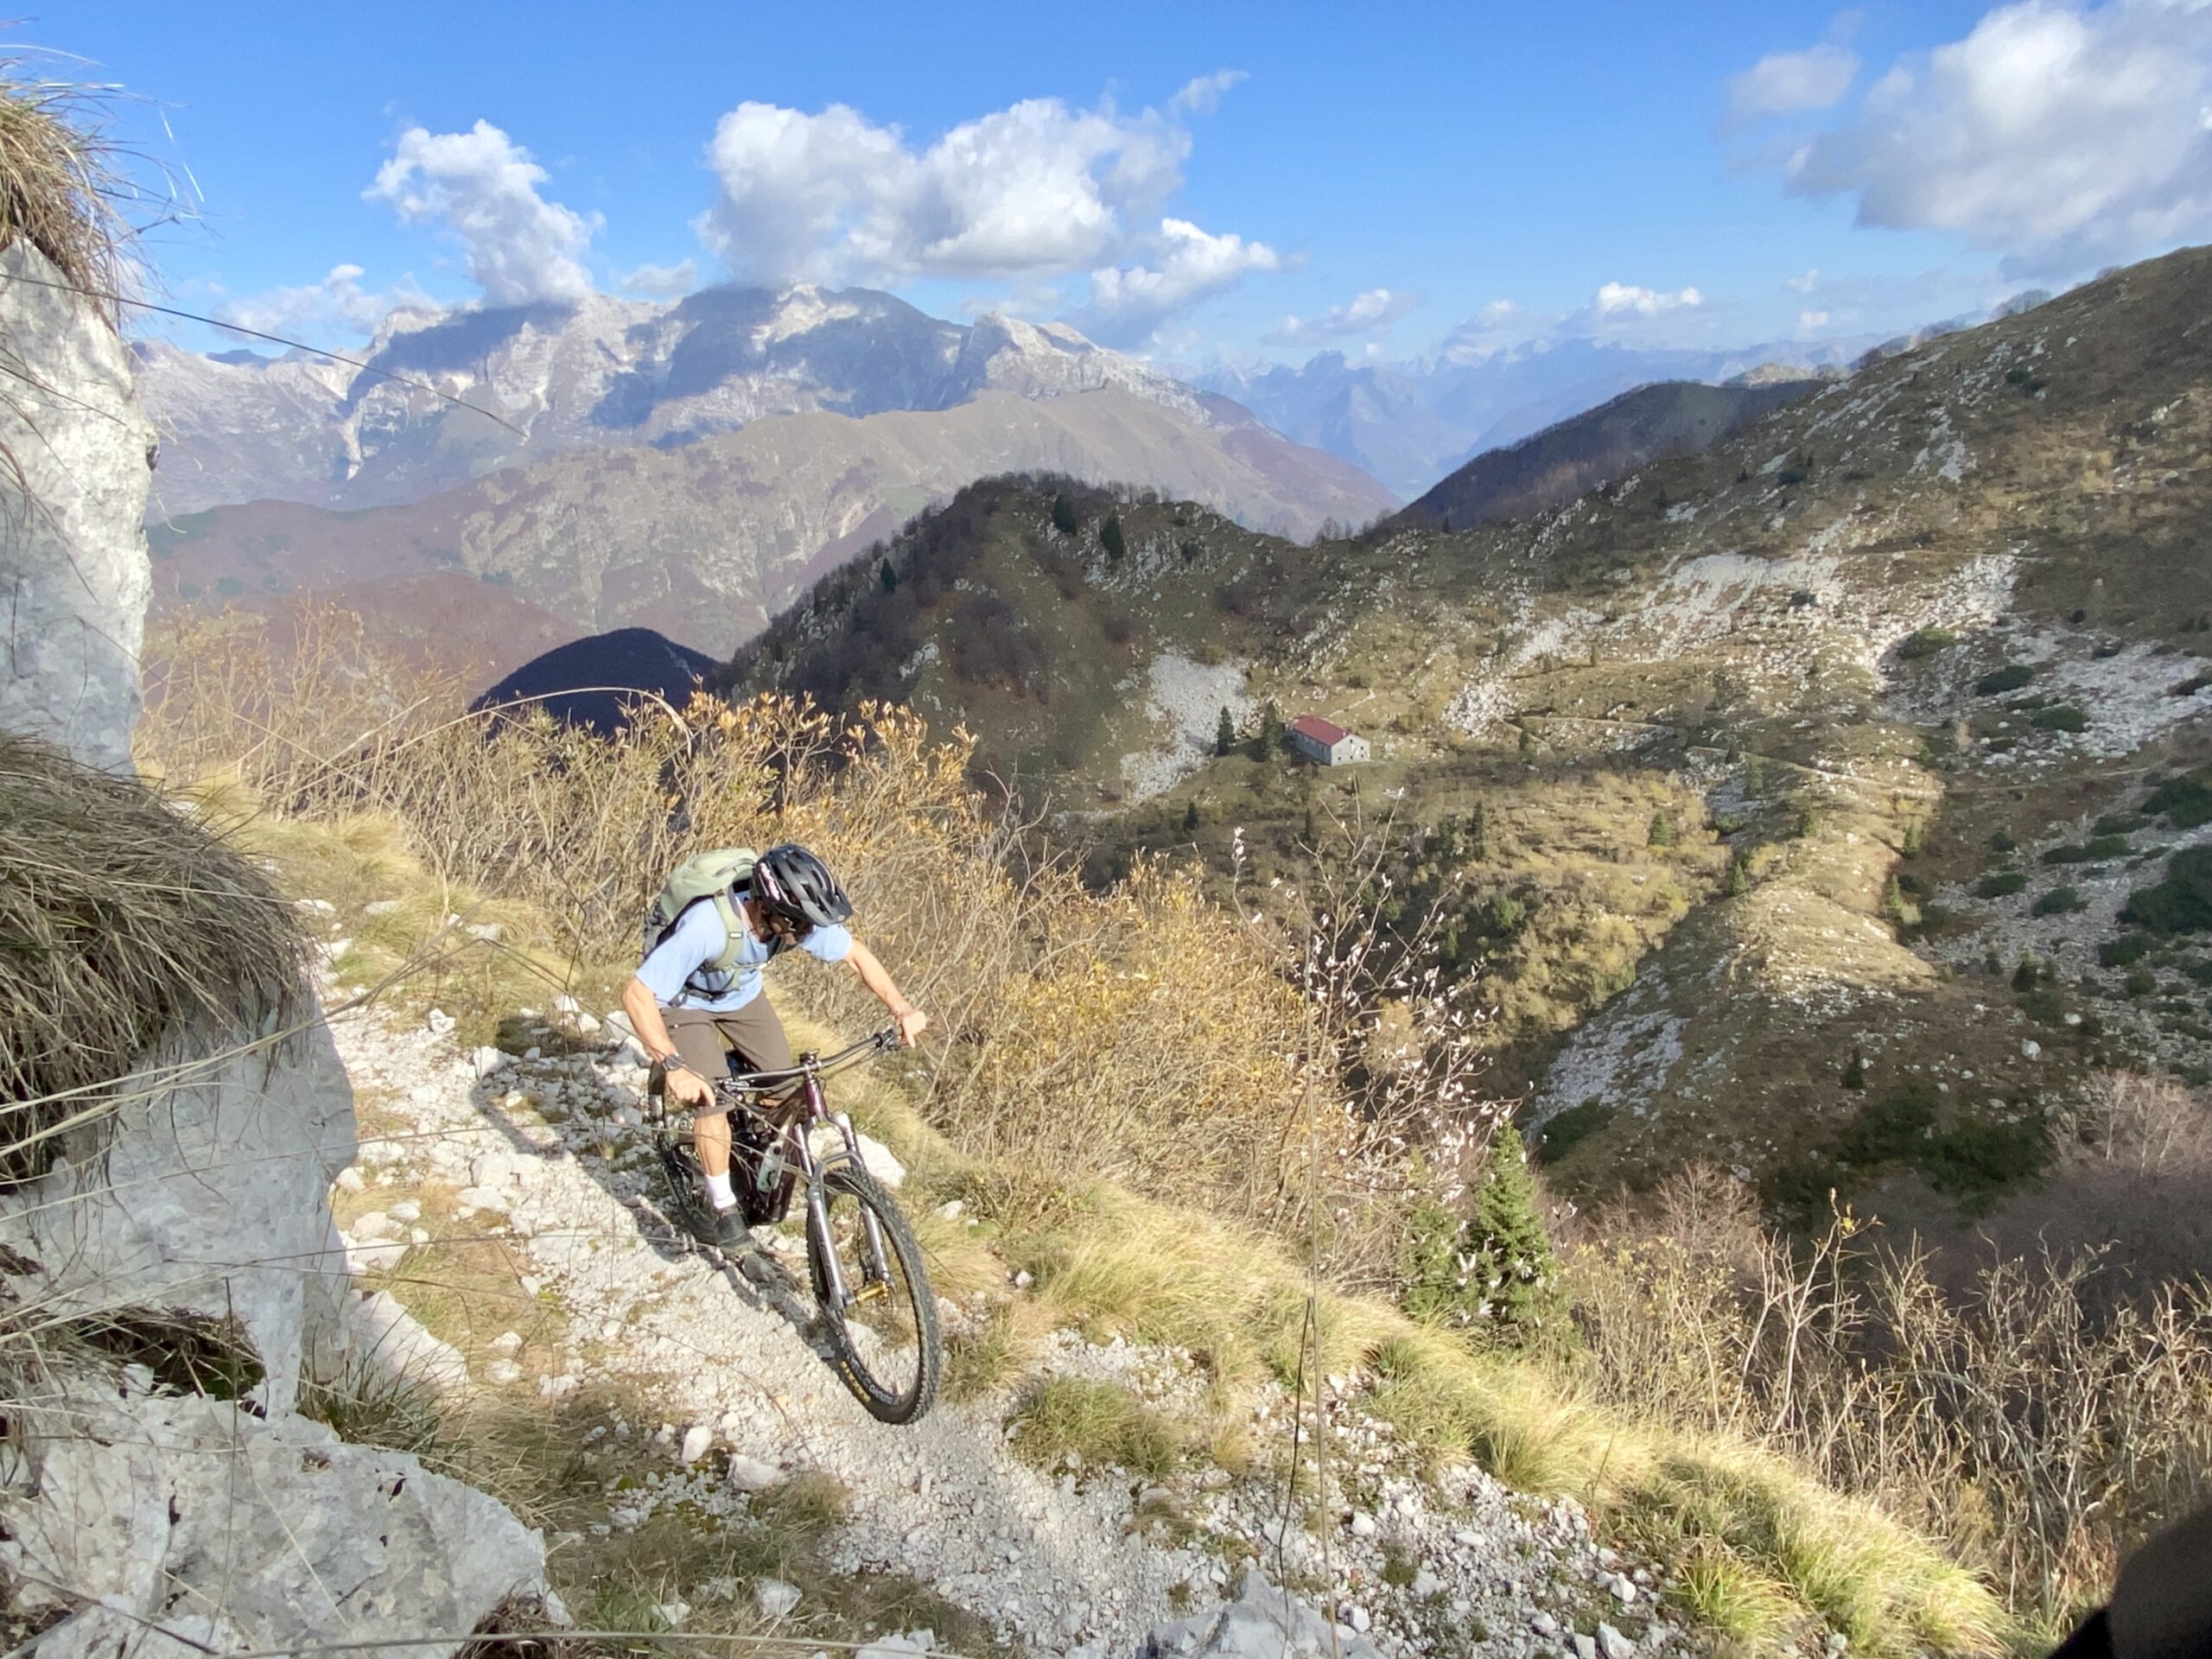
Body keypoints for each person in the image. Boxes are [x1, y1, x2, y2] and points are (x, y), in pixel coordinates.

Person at [619, 843, 928, 1251]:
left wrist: (901, 1008)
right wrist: (673, 1065)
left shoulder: (799, 919)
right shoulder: (707, 926)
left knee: (784, 1089)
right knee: (713, 1101)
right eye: (798, 924)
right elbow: (637, 994)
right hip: (684, 1002)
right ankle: (723, 1207)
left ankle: (746, 1147)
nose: (807, 933)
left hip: (741, 997)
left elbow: (855, 955)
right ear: (766, 908)